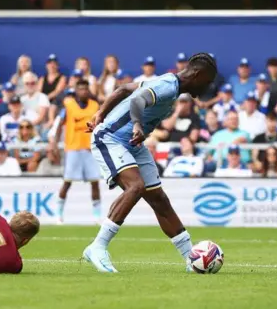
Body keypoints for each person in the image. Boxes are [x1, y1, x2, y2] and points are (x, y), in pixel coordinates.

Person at [83, 52, 217, 273]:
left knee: (159, 200)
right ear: (198, 74)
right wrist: (136, 125)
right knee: (136, 187)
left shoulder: (166, 83)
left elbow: (124, 89)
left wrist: (101, 112)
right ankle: (97, 247)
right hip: (111, 138)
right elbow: (136, 99)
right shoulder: (167, 85)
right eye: (208, 82)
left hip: (133, 144)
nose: (207, 88)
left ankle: (190, 258)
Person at [49, 79, 101, 224]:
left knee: (94, 182)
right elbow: (60, 123)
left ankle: (97, 216)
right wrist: (54, 142)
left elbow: (100, 125)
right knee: (67, 182)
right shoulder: (68, 104)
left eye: (86, 89)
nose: (83, 91)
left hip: (90, 149)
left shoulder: (95, 105)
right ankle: (58, 214)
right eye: (81, 89)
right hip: (73, 148)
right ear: (76, 91)